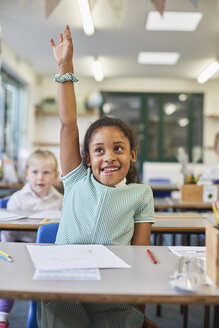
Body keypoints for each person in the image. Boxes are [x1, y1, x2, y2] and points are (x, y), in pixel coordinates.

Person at [37, 25, 156, 328]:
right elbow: (68, 125)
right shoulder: (76, 178)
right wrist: (65, 67)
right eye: (99, 150)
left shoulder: (141, 195)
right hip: (64, 289)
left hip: (113, 295)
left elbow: (141, 257)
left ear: (132, 155)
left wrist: (139, 313)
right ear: (87, 158)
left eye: (118, 148)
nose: (109, 156)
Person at [0, 149, 63, 328]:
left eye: (46, 172)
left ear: (56, 176)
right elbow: (8, 235)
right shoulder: (17, 199)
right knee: (7, 274)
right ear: (26, 174)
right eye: (35, 172)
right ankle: (2, 316)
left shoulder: (60, 200)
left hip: (47, 250)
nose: (40, 178)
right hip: (19, 248)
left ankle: (47, 318)